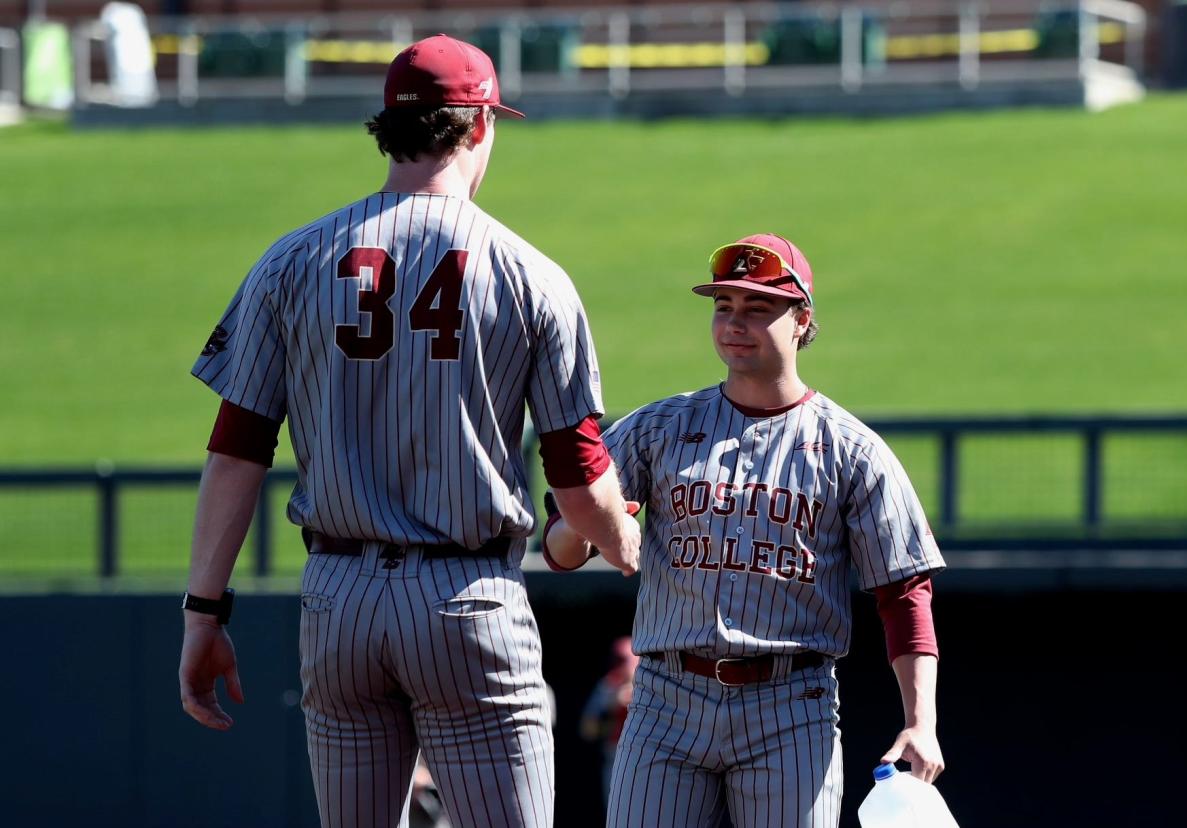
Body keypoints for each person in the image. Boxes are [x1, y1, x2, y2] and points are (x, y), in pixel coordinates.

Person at [177, 34, 641, 828]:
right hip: (467, 600)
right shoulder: (530, 275)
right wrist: (626, 544)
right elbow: (578, 472)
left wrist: (202, 611)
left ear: (388, 128)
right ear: (480, 127)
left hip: (338, 600)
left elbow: (236, 454)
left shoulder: (290, 262)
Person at [544, 234, 947, 828]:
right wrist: (590, 530)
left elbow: (904, 592)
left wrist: (921, 721)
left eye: (758, 308)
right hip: (665, 701)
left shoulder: (852, 450)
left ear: (801, 319)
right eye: (724, 307)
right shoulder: (660, 426)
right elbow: (558, 544)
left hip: (790, 705)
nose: (736, 323)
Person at [579, 636, 640, 800]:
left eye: (625, 660)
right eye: (617, 660)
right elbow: (587, 730)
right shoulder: (607, 687)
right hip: (615, 760)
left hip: (646, 759)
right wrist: (611, 711)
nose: (620, 665)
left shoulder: (650, 685)